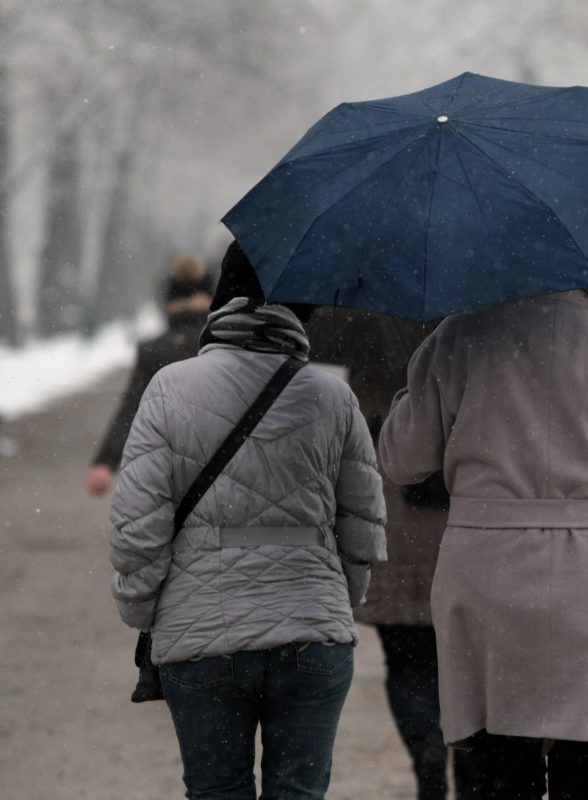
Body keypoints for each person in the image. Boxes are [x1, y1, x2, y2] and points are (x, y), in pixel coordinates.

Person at [378, 287, 588, 800]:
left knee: (496, 755)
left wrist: (411, 387)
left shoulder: (457, 337)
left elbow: (403, 460)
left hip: (483, 569)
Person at [108, 242, 387, 800]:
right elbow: (364, 523)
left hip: (202, 641)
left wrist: (145, 610)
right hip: (313, 632)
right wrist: (340, 598)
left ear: (223, 300)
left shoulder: (169, 388)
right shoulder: (333, 397)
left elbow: (137, 525)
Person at [313, 309, 480, 800]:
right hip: (462, 526)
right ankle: (465, 757)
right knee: (467, 664)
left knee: (406, 663)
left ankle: (426, 749)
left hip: (391, 524)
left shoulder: (364, 322)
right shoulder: (475, 326)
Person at [87, 254, 213, 497]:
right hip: (219, 465)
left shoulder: (154, 350)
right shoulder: (222, 344)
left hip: (165, 468)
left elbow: (132, 407)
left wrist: (106, 461)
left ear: (169, 300)